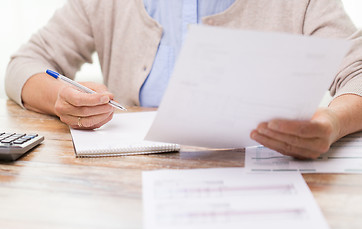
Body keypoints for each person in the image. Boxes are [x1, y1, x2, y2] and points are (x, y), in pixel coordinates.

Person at [5, 0, 362, 159]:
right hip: (129, 191)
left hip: (265, 184)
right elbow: (25, 65)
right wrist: (60, 97)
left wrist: (332, 121)